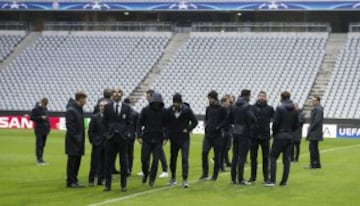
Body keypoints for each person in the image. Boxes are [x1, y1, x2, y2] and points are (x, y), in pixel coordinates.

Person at [265, 91, 298, 187]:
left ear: (281, 97)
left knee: (273, 157)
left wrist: (275, 134)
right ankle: (284, 182)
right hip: (290, 136)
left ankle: (272, 181)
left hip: (280, 136)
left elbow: (275, 123)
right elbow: (296, 125)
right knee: (286, 160)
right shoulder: (295, 110)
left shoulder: (280, 108)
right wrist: (290, 132)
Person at [102, 88, 133, 192]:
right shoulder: (107, 107)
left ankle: (123, 185)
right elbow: (104, 122)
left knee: (123, 162)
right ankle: (107, 185)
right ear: (112, 95)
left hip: (122, 138)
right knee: (108, 162)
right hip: (110, 138)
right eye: (115, 92)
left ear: (122, 95)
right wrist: (107, 134)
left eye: (119, 92)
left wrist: (126, 133)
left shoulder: (127, 108)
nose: (117, 94)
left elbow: (130, 122)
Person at [167, 93, 198, 188]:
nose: (176, 105)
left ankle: (185, 179)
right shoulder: (169, 111)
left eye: (178, 103)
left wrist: (187, 129)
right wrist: (167, 135)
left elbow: (195, 121)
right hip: (173, 138)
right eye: (175, 103)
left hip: (184, 138)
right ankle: (173, 177)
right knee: (173, 159)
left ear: (181, 102)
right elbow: (166, 123)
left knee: (185, 159)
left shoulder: (187, 110)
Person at [137, 92, 168, 187]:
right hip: (146, 139)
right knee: (144, 160)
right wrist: (139, 136)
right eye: (155, 102)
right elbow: (139, 123)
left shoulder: (164, 112)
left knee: (155, 161)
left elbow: (167, 125)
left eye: (158, 102)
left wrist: (166, 137)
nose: (157, 104)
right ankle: (146, 173)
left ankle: (152, 179)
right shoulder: (145, 110)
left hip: (158, 139)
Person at [228, 89, 256, 185]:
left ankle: (233, 178)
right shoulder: (247, 106)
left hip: (235, 131)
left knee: (235, 155)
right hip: (245, 133)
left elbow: (229, 119)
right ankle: (240, 179)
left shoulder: (234, 105)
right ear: (248, 96)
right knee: (242, 157)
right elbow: (252, 118)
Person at [199, 90, 227, 181]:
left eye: (211, 98)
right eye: (208, 98)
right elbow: (206, 118)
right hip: (208, 135)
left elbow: (225, 121)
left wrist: (218, 127)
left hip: (217, 135)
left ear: (215, 98)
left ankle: (215, 175)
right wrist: (205, 124)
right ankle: (205, 173)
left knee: (217, 155)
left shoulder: (222, 108)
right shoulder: (208, 108)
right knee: (204, 152)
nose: (209, 100)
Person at [249, 91, 274, 183]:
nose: (262, 98)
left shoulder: (270, 108)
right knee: (253, 157)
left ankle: (266, 177)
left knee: (266, 157)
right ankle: (253, 176)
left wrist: (273, 132)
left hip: (265, 135)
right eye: (260, 96)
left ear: (266, 97)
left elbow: (275, 120)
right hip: (254, 135)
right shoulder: (252, 108)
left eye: (263, 96)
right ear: (257, 97)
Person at [65, 92, 87, 188]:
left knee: (77, 161)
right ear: (80, 99)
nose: (86, 101)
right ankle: (70, 181)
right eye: (84, 99)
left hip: (79, 140)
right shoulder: (71, 110)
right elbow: (70, 127)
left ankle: (75, 179)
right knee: (72, 161)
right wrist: (77, 139)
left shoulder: (78, 109)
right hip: (73, 141)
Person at [88, 100, 107, 186]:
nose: (102, 107)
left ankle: (101, 180)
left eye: (104, 106)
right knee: (94, 163)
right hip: (97, 144)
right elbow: (90, 131)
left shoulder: (110, 118)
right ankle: (91, 180)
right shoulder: (94, 117)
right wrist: (93, 141)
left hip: (106, 144)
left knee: (104, 163)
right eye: (101, 106)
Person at [30, 97, 50, 165]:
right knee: (39, 144)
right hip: (39, 129)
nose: (45, 106)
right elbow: (32, 118)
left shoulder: (45, 109)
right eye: (44, 104)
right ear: (41, 103)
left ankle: (41, 158)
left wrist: (48, 128)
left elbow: (47, 119)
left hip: (45, 130)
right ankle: (39, 160)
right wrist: (40, 117)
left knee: (43, 145)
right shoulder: (35, 109)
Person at [306, 96, 324, 169]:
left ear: (318, 101)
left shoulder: (318, 109)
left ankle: (313, 164)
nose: (312, 102)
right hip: (316, 131)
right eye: (312, 100)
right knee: (315, 148)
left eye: (314, 100)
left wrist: (310, 128)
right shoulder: (318, 109)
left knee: (312, 148)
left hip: (314, 132)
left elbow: (317, 120)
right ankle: (317, 164)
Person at [123, 98, 139, 176]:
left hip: (127, 135)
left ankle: (128, 169)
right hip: (128, 135)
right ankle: (128, 168)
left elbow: (137, 125)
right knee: (128, 153)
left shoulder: (133, 113)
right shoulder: (135, 113)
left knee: (127, 153)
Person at [220, 95, 233, 171]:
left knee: (227, 147)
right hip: (223, 130)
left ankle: (222, 163)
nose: (229, 103)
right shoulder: (220, 109)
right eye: (228, 102)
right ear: (224, 102)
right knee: (222, 149)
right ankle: (220, 165)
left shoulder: (230, 109)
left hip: (228, 129)